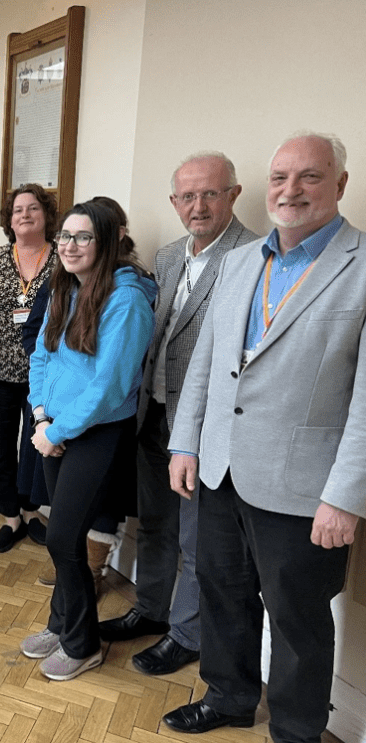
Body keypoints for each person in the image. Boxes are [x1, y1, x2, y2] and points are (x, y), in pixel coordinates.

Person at [163, 132, 363, 741]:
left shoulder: (360, 269)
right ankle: (228, 696)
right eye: (280, 177)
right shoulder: (240, 260)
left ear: (340, 185)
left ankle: (298, 730)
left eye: (309, 177)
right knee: (221, 592)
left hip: (305, 487)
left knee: (299, 620)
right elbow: (206, 362)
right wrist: (185, 442)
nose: (291, 190)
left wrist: (346, 496)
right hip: (220, 468)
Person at [98, 153, 258, 676]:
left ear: (233, 195)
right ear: (174, 202)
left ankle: (187, 634)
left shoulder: (254, 257)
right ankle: (150, 610)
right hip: (154, 412)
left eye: (210, 193)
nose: (198, 205)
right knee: (156, 525)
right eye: (187, 196)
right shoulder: (168, 257)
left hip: (207, 425)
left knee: (196, 536)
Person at [20, 201, 156, 681]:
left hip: (96, 433)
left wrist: (56, 432)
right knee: (65, 535)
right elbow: (41, 355)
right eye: (65, 237)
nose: (70, 246)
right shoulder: (65, 287)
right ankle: (62, 625)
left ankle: (84, 644)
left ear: (108, 243)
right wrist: (41, 417)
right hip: (53, 427)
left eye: (82, 238)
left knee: (62, 538)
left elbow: (111, 386)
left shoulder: (127, 299)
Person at [0, 184, 57, 553]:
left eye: (33, 208)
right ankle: (10, 517)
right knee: (0, 447)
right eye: (18, 210)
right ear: (9, 220)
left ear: (46, 215)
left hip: (46, 373)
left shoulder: (62, 259)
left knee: (37, 445)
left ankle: (32, 509)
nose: (25, 215)